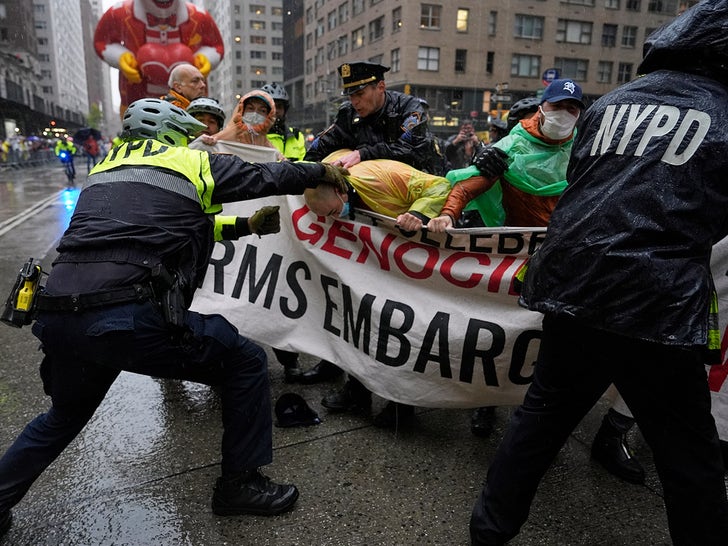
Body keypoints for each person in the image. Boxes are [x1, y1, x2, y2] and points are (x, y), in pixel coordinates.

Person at [0, 98, 350, 537]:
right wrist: (319, 171)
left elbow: (169, 224)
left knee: (63, 416)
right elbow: (267, 175)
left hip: (58, 314)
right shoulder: (187, 161)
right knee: (243, 361)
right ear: (170, 135)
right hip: (124, 315)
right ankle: (239, 486)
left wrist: (243, 228)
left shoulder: (105, 169)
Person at [469, 3, 728, 544]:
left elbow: (584, 191)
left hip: (572, 287)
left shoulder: (610, 105)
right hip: (653, 302)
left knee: (539, 423)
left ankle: (487, 534)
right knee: (689, 456)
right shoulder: (723, 111)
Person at [300, 60, 442, 395]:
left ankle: (402, 391)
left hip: (414, 209)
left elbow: (412, 149)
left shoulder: (410, 109)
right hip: (368, 212)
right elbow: (320, 146)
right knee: (349, 292)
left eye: (360, 92)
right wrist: (296, 172)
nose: (354, 101)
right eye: (349, 94)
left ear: (380, 86)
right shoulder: (349, 116)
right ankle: (336, 362)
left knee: (403, 306)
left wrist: (363, 153)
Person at [207, 90, 283, 159]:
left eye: (262, 110)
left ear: (269, 116)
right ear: (241, 110)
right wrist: (208, 141)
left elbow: (280, 160)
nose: (255, 113)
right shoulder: (228, 135)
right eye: (250, 108)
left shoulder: (266, 144)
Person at [262, 83, 307, 162]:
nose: (275, 111)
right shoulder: (254, 137)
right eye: (271, 107)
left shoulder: (296, 135)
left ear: (285, 110)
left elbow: (305, 165)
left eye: (279, 106)